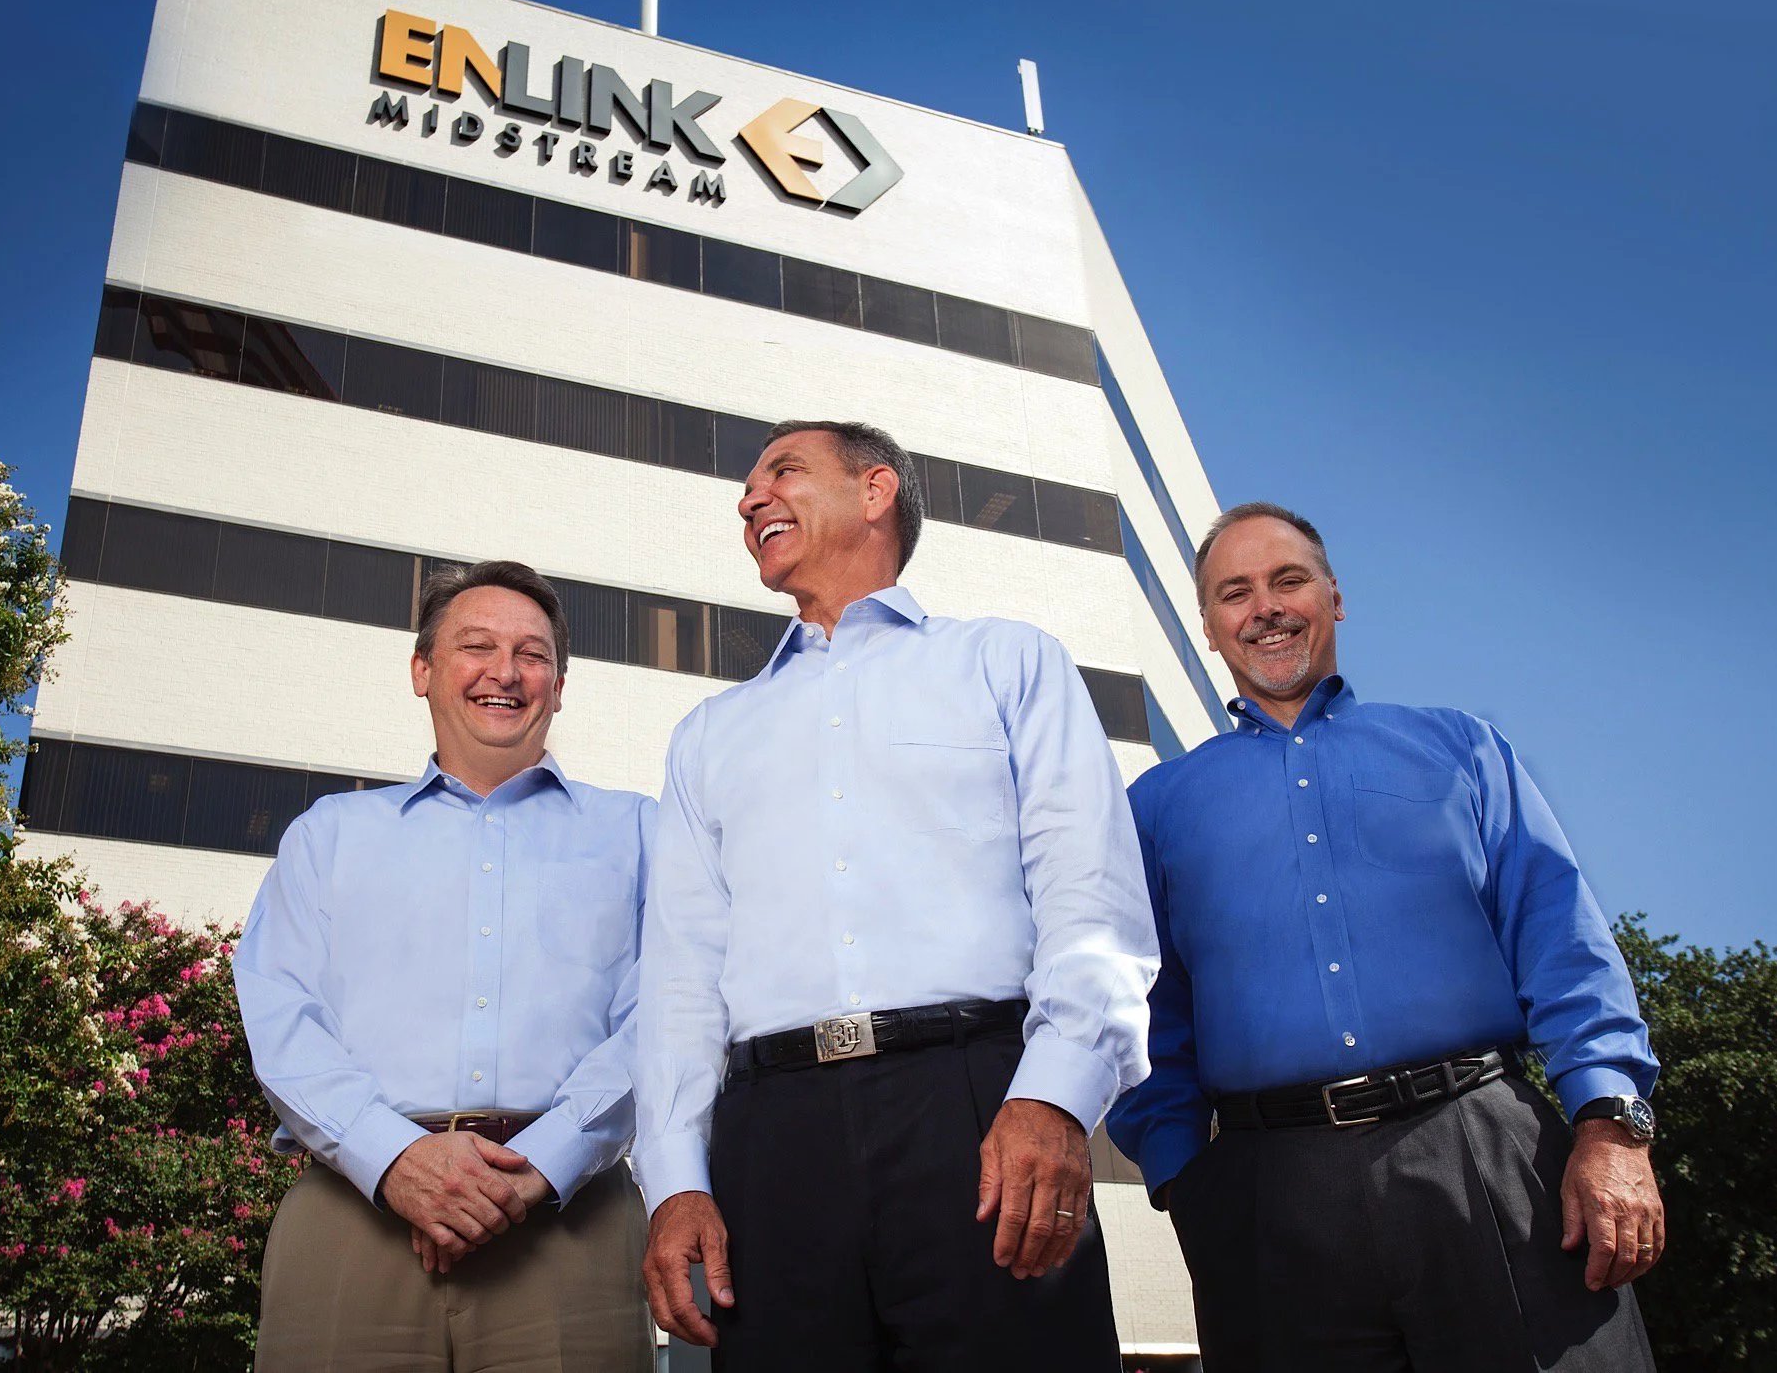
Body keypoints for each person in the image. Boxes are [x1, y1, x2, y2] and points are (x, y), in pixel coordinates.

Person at [632, 420, 1159, 1372]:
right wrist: (673, 1179)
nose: (750, 498)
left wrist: (1055, 1097)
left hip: (978, 1107)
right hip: (772, 1139)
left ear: (877, 491)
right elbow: (679, 977)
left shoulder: (1009, 662)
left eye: (781, 471)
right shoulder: (708, 735)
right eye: (746, 488)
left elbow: (1092, 898)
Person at [1106, 502, 1662, 1371]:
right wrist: (1187, 1179)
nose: (1266, 607)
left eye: (1289, 580)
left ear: (1335, 597)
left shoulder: (1461, 751)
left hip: (1483, 1145)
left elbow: (1562, 939)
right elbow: (1143, 1009)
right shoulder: (1155, 809)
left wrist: (1612, 1125)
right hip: (1265, 1193)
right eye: (1235, 592)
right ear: (1210, 629)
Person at [233, 560, 655, 1372]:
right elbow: (280, 1013)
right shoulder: (330, 834)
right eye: (477, 646)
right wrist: (394, 1158)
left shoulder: (642, 833)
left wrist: (541, 1162)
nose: (505, 671)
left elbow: (663, 1018)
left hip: (568, 1222)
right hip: (352, 1215)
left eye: (532, 654)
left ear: (560, 685)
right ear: (422, 670)